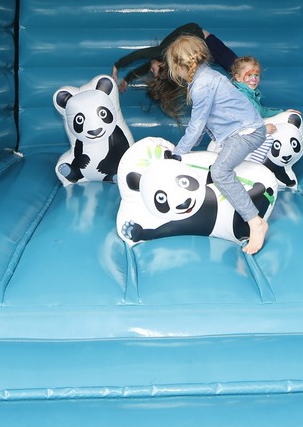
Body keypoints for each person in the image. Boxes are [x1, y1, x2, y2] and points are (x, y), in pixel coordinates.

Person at [165, 34, 271, 254]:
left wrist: (177, 153)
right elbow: (204, 124)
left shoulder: (203, 84)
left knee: (220, 171)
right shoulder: (205, 77)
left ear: (180, 65)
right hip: (237, 132)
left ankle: (255, 221)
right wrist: (182, 152)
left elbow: (197, 125)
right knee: (212, 163)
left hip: (246, 132)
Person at [111, 23, 237, 120]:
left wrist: (118, 66)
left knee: (236, 68)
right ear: (161, 65)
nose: (150, 69)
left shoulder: (161, 52)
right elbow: (144, 66)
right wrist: (126, 79)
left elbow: (140, 55)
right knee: (235, 69)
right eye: (153, 71)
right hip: (205, 47)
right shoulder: (164, 57)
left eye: (152, 70)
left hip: (204, 42)